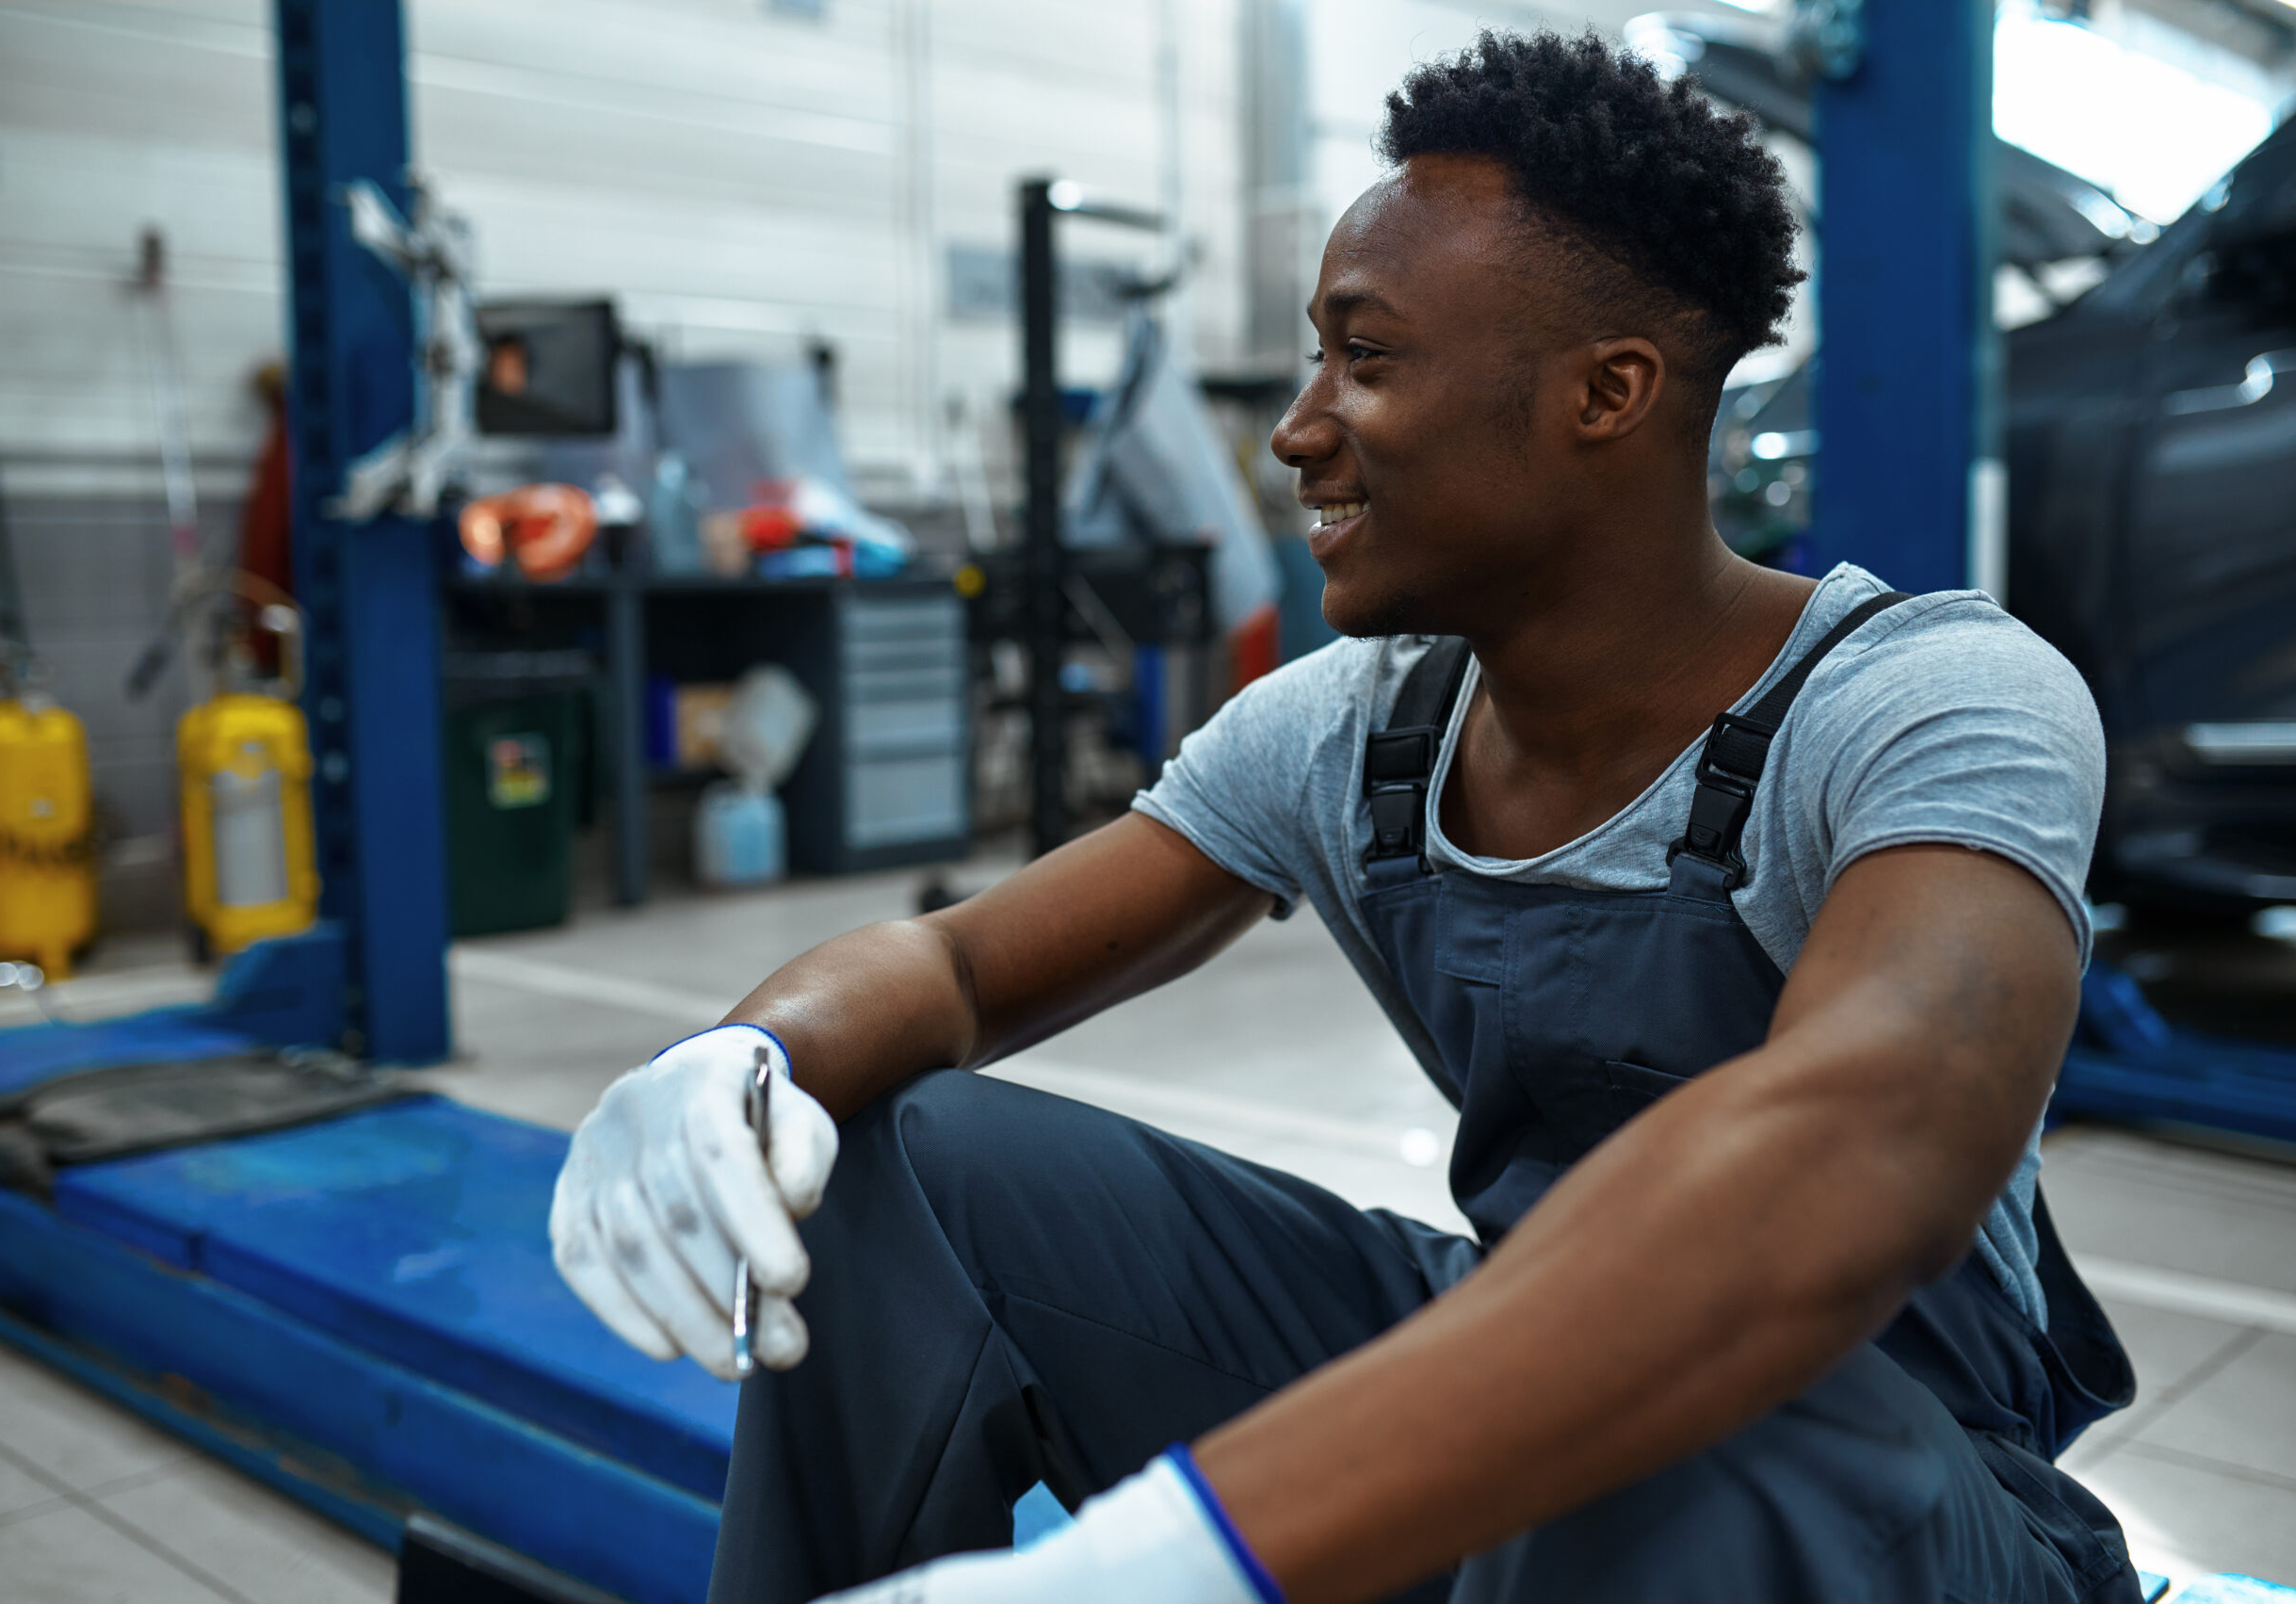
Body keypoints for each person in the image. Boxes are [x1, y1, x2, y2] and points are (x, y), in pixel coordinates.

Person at [550, 30, 2139, 1604]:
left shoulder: (1924, 702)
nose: (1299, 426)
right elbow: (960, 973)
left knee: (1679, 1394)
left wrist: (1189, 1552)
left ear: (1609, 393)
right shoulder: (1365, 728)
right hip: (1526, 1431)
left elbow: (1874, 1135)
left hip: (1897, 1508)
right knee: (908, 1153)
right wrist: (748, 1056)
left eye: (1366, 360)